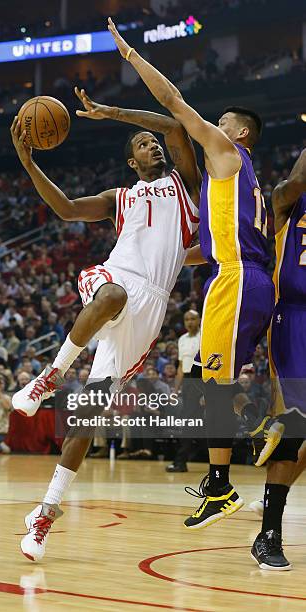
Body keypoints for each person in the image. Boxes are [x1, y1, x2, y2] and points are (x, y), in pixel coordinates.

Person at [11, 85, 201, 561]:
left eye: (151, 142)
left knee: (88, 418)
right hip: (115, 279)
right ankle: (49, 376)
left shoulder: (186, 187)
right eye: (142, 144)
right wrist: (29, 161)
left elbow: (176, 127)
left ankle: (44, 516)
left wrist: (110, 111)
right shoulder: (121, 196)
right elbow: (67, 209)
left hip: (151, 307)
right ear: (131, 163)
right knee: (111, 293)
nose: (152, 145)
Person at [106, 18, 276, 529]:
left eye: (221, 121)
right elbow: (208, 245)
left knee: (211, 382)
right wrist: (166, 257)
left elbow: (175, 106)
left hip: (238, 279)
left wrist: (132, 57)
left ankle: (233, 468)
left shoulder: (228, 154)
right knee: (208, 377)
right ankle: (224, 474)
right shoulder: (239, 184)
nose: (212, 128)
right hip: (248, 277)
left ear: (239, 133)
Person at [249, 149, 306, 569]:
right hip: (296, 318)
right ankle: (269, 535)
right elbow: (294, 180)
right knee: (295, 424)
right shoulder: (288, 199)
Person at [166, 310, 201, 472]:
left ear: (199, 319)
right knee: (188, 422)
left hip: (202, 381)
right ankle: (181, 461)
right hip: (187, 383)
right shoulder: (182, 340)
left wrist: (205, 392)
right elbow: (181, 367)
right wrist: (175, 390)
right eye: (187, 319)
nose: (189, 322)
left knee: (193, 422)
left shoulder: (205, 336)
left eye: (193, 318)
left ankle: (181, 461)